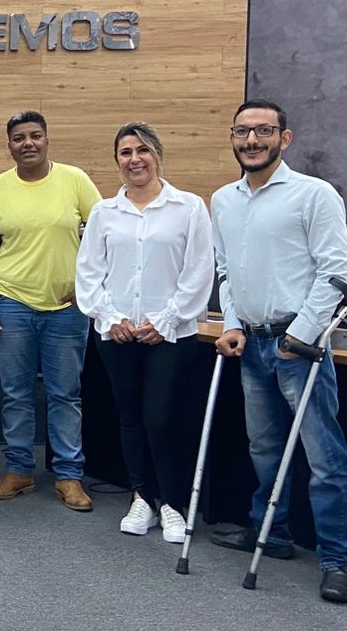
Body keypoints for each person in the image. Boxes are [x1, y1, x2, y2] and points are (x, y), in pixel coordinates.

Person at [208, 100, 347, 604]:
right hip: (250, 343)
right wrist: (230, 324)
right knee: (264, 448)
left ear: (284, 138)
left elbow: (336, 272)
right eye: (243, 131)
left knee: (324, 457)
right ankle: (271, 534)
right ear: (232, 137)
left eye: (263, 131)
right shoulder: (224, 200)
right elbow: (226, 270)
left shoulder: (313, 195)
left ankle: (341, 559)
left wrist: (303, 333)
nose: (252, 140)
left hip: (300, 349)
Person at [74, 122, 214, 543]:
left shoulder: (188, 208)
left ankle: (171, 502)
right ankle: (141, 497)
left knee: (161, 418)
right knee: (130, 418)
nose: (134, 159)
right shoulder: (104, 212)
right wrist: (109, 316)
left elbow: (199, 271)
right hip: (117, 333)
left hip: (170, 335)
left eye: (142, 150)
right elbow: (88, 272)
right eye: (125, 152)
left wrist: (167, 319)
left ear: (157, 154)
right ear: (116, 160)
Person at [0, 110, 102, 510]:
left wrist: (88, 291)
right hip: (11, 304)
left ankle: (68, 475)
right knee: (15, 393)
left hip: (66, 309)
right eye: (19, 138)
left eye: (35, 136)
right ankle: (19, 470)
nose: (27, 143)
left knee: (65, 394)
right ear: (8, 145)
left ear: (46, 139)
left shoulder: (74, 180)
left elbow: (104, 234)